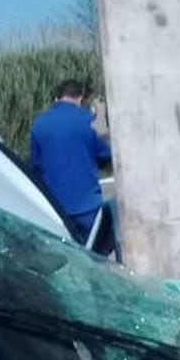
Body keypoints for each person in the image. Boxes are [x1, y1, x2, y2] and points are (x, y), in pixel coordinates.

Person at [30, 78, 113, 250]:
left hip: (56, 208)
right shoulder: (88, 120)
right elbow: (106, 155)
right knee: (97, 256)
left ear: (57, 98)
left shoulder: (39, 124)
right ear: (80, 97)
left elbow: (35, 166)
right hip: (88, 205)